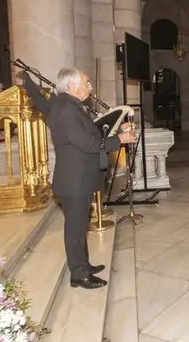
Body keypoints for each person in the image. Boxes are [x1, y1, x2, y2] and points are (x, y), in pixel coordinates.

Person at [47, 67, 135, 289]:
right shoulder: (66, 109)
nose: (90, 87)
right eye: (86, 83)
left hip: (79, 178)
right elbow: (87, 144)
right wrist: (120, 140)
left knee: (79, 226)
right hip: (74, 181)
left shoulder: (70, 105)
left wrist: (118, 131)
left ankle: (83, 265)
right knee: (75, 229)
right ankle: (79, 274)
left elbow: (91, 133)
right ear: (71, 85)